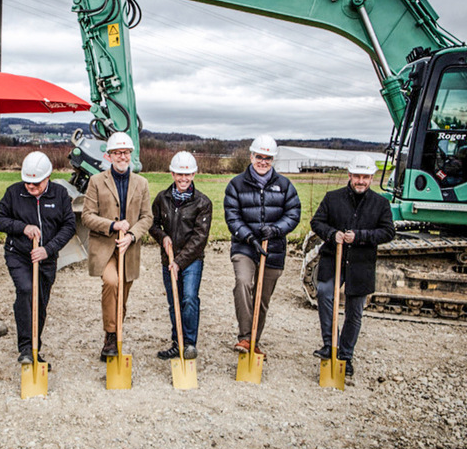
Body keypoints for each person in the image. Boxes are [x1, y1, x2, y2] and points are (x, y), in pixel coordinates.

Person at [310, 154, 395, 377]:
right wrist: (332, 234)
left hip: (361, 264)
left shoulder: (381, 203)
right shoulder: (332, 198)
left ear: (371, 178)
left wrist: (360, 236)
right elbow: (317, 222)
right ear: (349, 175)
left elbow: (388, 232)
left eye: (365, 177)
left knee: (354, 312)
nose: (360, 181)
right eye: (357, 176)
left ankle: (346, 356)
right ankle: (330, 345)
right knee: (325, 293)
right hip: (333, 259)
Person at [0, 151, 76, 368]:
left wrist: (48, 249)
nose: (30, 187)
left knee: (40, 301)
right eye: (27, 182)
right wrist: (22, 227)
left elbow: (69, 226)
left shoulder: (60, 195)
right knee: (27, 290)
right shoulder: (13, 193)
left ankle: (35, 346)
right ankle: (26, 348)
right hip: (18, 254)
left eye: (36, 183)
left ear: (47, 177)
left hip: (46, 258)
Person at [224, 134, 301, 358]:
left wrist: (276, 230)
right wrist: (250, 237)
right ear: (251, 156)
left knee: (262, 297)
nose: (263, 162)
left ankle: (254, 340)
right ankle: (246, 338)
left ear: (273, 160)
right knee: (243, 283)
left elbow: (293, 213)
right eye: (259, 156)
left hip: (273, 249)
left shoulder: (284, 186)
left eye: (267, 158)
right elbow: (232, 217)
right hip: (245, 246)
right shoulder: (236, 185)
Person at [81, 132, 153, 361]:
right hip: (104, 247)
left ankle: (114, 334)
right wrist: (112, 225)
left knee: (122, 295)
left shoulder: (141, 183)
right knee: (112, 282)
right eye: (117, 153)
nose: (122, 156)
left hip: (128, 248)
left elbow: (147, 217)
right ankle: (111, 335)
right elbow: (87, 216)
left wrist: (131, 235)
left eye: (126, 152)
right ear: (109, 156)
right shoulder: (96, 181)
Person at [149, 151, 212, 360]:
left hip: (192, 260)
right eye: (179, 174)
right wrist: (162, 236)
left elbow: (199, 238)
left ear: (194, 174)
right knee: (173, 301)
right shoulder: (162, 198)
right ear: (172, 174)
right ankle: (178, 342)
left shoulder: (203, 203)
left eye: (187, 175)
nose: (183, 179)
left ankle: (190, 344)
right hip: (168, 259)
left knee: (189, 299)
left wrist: (179, 262)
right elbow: (152, 224)